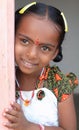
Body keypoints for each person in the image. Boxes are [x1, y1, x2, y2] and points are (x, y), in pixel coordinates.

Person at [3, 2, 78, 130]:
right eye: (25, 41)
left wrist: (28, 127)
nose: (32, 54)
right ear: (11, 37)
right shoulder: (5, 77)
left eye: (45, 48)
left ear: (55, 52)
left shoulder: (59, 84)